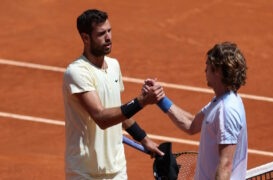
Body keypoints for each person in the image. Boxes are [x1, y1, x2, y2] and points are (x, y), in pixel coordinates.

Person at [62, 9, 164, 179]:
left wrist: (144, 138)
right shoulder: (77, 72)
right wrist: (141, 101)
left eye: (109, 31)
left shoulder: (114, 65)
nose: (108, 37)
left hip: (117, 169)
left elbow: (117, 111)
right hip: (84, 172)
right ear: (85, 38)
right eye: (101, 34)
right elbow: (102, 117)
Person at [148, 41, 248, 179]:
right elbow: (191, 124)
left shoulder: (226, 110)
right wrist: (161, 100)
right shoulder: (221, 101)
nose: (205, 70)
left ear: (217, 71)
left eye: (208, 65)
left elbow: (225, 165)